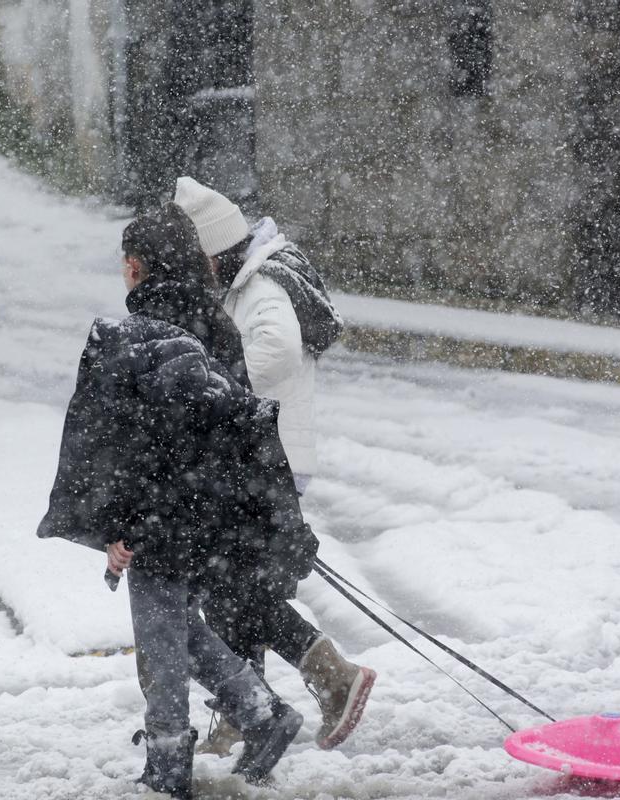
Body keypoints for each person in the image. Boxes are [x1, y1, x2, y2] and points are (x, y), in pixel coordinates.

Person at [36, 204, 317, 799]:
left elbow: (122, 448)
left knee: (159, 632)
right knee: (176, 625)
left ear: (135, 267)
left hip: (162, 513)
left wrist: (122, 527)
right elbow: (231, 425)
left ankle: (169, 754)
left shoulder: (135, 336)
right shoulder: (215, 325)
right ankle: (262, 713)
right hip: (212, 512)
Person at [173, 176, 376, 753]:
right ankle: (248, 710)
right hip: (261, 459)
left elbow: (280, 350)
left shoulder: (260, 288)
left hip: (268, 462)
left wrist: (218, 386)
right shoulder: (244, 284)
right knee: (233, 585)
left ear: (214, 252)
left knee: (230, 585)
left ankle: (329, 675)